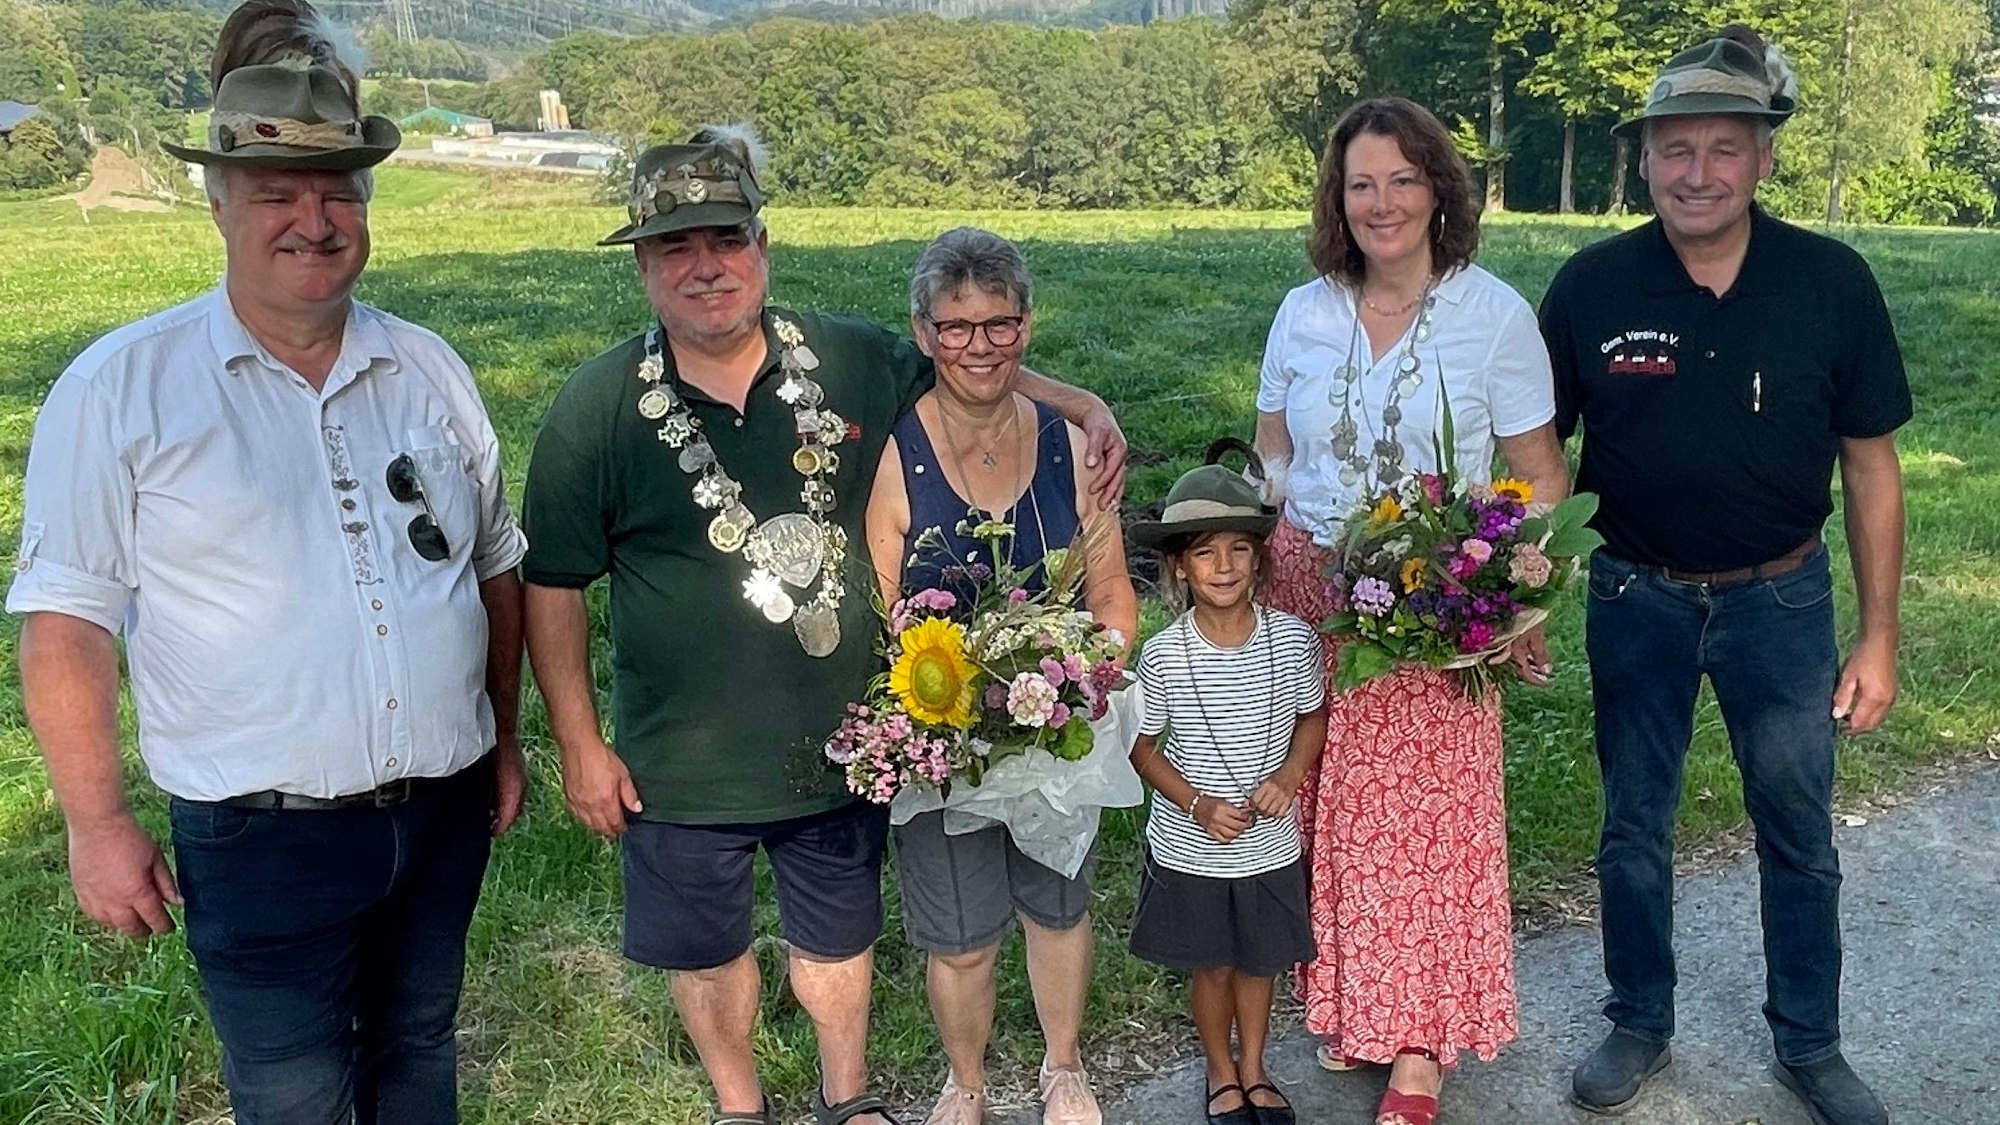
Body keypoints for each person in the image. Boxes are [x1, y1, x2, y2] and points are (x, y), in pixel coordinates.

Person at [520, 134, 1125, 1125]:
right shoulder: (595, 410)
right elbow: (552, 585)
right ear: (640, 265)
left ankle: (849, 1102)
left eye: (725, 238)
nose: (704, 264)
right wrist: (581, 746)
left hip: (840, 738)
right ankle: (738, 1107)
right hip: (681, 755)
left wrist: (1084, 404)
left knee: (837, 940)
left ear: (761, 245)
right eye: (675, 247)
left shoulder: (845, 357)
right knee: (706, 949)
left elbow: (972, 367)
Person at [8, 4, 529, 1122]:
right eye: (277, 195)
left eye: (339, 190)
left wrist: (504, 737)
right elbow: (65, 624)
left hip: (438, 810)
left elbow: (492, 567)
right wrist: (98, 826)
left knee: (418, 1054)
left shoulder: (428, 370)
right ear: (217, 202)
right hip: (259, 833)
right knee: (293, 1095)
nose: (314, 219)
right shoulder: (122, 391)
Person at [1538, 27, 1907, 1125]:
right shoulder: (1591, 285)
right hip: (1631, 597)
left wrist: (1876, 632)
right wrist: (1519, 591)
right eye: (1673, 150)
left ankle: (1809, 1044)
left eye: (1720, 148)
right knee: (1630, 828)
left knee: (1795, 831)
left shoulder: (1829, 283)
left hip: (1780, 602)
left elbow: (1870, 466)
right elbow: (1536, 454)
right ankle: (1636, 1021)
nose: (1695, 173)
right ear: (1642, 160)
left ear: (1761, 158)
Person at [1251, 96, 1571, 1125]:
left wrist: (1516, 601)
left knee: (1422, 826)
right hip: (1305, 588)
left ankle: (1421, 1042)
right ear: (1334, 201)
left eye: (1400, 178)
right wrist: (1242, 555)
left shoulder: (1492, 315)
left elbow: (1539, 479)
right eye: (1359, 183)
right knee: (1323, 810)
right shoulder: (1302, 310)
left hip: (1429, 601)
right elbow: (1271, 455)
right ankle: (1352, 1008)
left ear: (1437, 189)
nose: (1379, 202)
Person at [860, 227, 1139, 1125]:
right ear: (923, 329)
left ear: (1027, 322)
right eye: (955, 327)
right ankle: (965, 1081)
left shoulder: (1073, 445)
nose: (979, 346)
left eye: (999, 323)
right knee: (962, 934)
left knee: (1057, 910)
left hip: (1054, 728)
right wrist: (947, 709)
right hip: (942, 739)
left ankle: (1063, 1067)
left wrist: (1082, 678)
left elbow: (1114, 597)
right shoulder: (896, 456)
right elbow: (883, 615)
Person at [1126, 459, 1326, 1125]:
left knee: (1259, 962)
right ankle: (1220, 1070)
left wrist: (1291, 775)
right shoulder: (1163, 656)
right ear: (1179, 568)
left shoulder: (1293, 642)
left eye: (1239, 549)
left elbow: (1312, 715)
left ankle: (1256, 1067)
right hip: (1194, 846)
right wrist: (1197, 804)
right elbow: (1141, 746)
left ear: (1260, 560)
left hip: (1267, 845)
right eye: (1205, 552)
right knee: (1211, 965)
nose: (1223, 566)